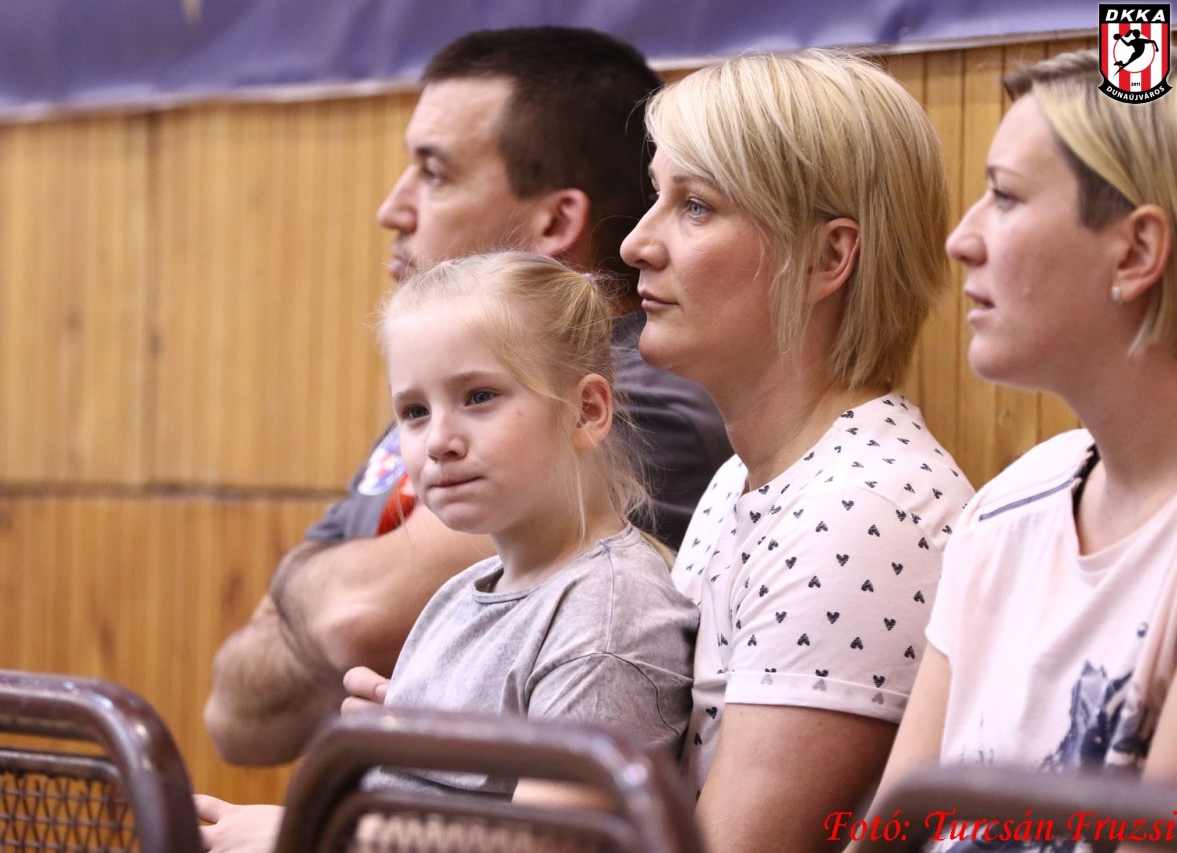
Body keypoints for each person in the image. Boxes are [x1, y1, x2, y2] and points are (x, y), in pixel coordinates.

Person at [203, 26, 731, 767]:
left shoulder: (643, 406)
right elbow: (238, 715)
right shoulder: (446, 411)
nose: (393, 208)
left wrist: (294, 584)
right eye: (415, 413)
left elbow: (355, 617)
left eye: (434, 172)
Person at [198, 252, 698, 850]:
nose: (438, 441)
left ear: (586, 412)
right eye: (414, 411)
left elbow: (545, 844)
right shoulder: (460, 594)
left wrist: (313, 834)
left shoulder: (609, 617)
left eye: (479, 396)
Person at [616, 50, 975, 852]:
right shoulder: (746, 479)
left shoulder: (869, 503)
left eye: (695, 206)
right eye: (656, 197)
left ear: (827, 258)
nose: (637, 243)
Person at [861, 49, 1177, 849]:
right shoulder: (1007, 506)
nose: (960, 240)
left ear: (1137, 251)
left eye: (1003, 196)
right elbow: (888, 835)